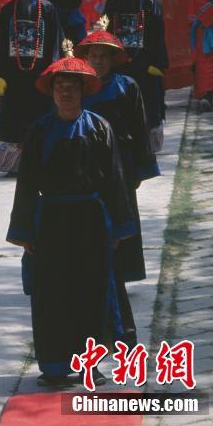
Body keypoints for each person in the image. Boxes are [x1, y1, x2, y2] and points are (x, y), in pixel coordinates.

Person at [6, 56, 135, 387]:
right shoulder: (40, 131)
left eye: (72, 88)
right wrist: (23, 230)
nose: (66, 93)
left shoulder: (98, 128)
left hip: (91, 221)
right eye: (60, 88)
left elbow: (115, 181)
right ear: (52, 93)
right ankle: (54, 366)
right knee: (51, 293)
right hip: (49, 221)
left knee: (91, 292)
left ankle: (90, 365)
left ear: (83, 91)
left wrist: (119, 227)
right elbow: (26, 182)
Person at [76, 30, 160, 345]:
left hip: (121, 164)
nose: (98, 60)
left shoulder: (127, 87)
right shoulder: (80, 86)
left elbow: (140, 129)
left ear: (113, 58)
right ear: (87, 57)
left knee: (122, 221)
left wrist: (139, 169)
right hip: (85, 165)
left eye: (104, 55)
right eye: (93, 55)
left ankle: (121, 274)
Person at [0, 0, 62, 174]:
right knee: (14, 118)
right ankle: (13, 164)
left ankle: (41, 164)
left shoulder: (48, 9)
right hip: (13, 75)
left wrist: (53, 73)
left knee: (41, 117)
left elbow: (55, 43)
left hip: (40, 74)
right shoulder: (7, 10)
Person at [104, 0, 168, 152]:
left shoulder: (150, 4)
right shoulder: (111, 4)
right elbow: (106, 33)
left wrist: (157, 63)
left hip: (144, 63)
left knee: (148, 99)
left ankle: (148, 141)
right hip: (118, 63)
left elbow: (158, 35)